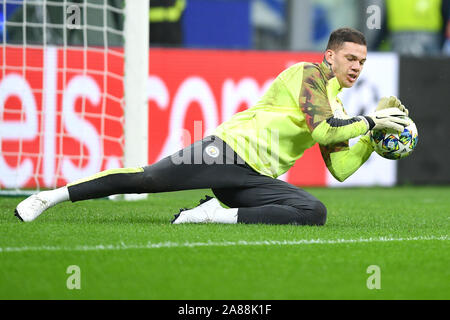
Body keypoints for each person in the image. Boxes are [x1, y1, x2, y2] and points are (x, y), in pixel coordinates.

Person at [14, 28, 410, 226]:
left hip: (254, 177)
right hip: (227, 150)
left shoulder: (337, 104)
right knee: (147, 178)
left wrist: (374, 141)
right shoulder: (308, 74)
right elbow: (326, 131)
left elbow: (339, 169)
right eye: (351, 58)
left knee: (313, 211)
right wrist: (371, 121)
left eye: (362, 61)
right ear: (330, 56)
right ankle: (51, 197)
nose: (357, 67)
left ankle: (212, 214)